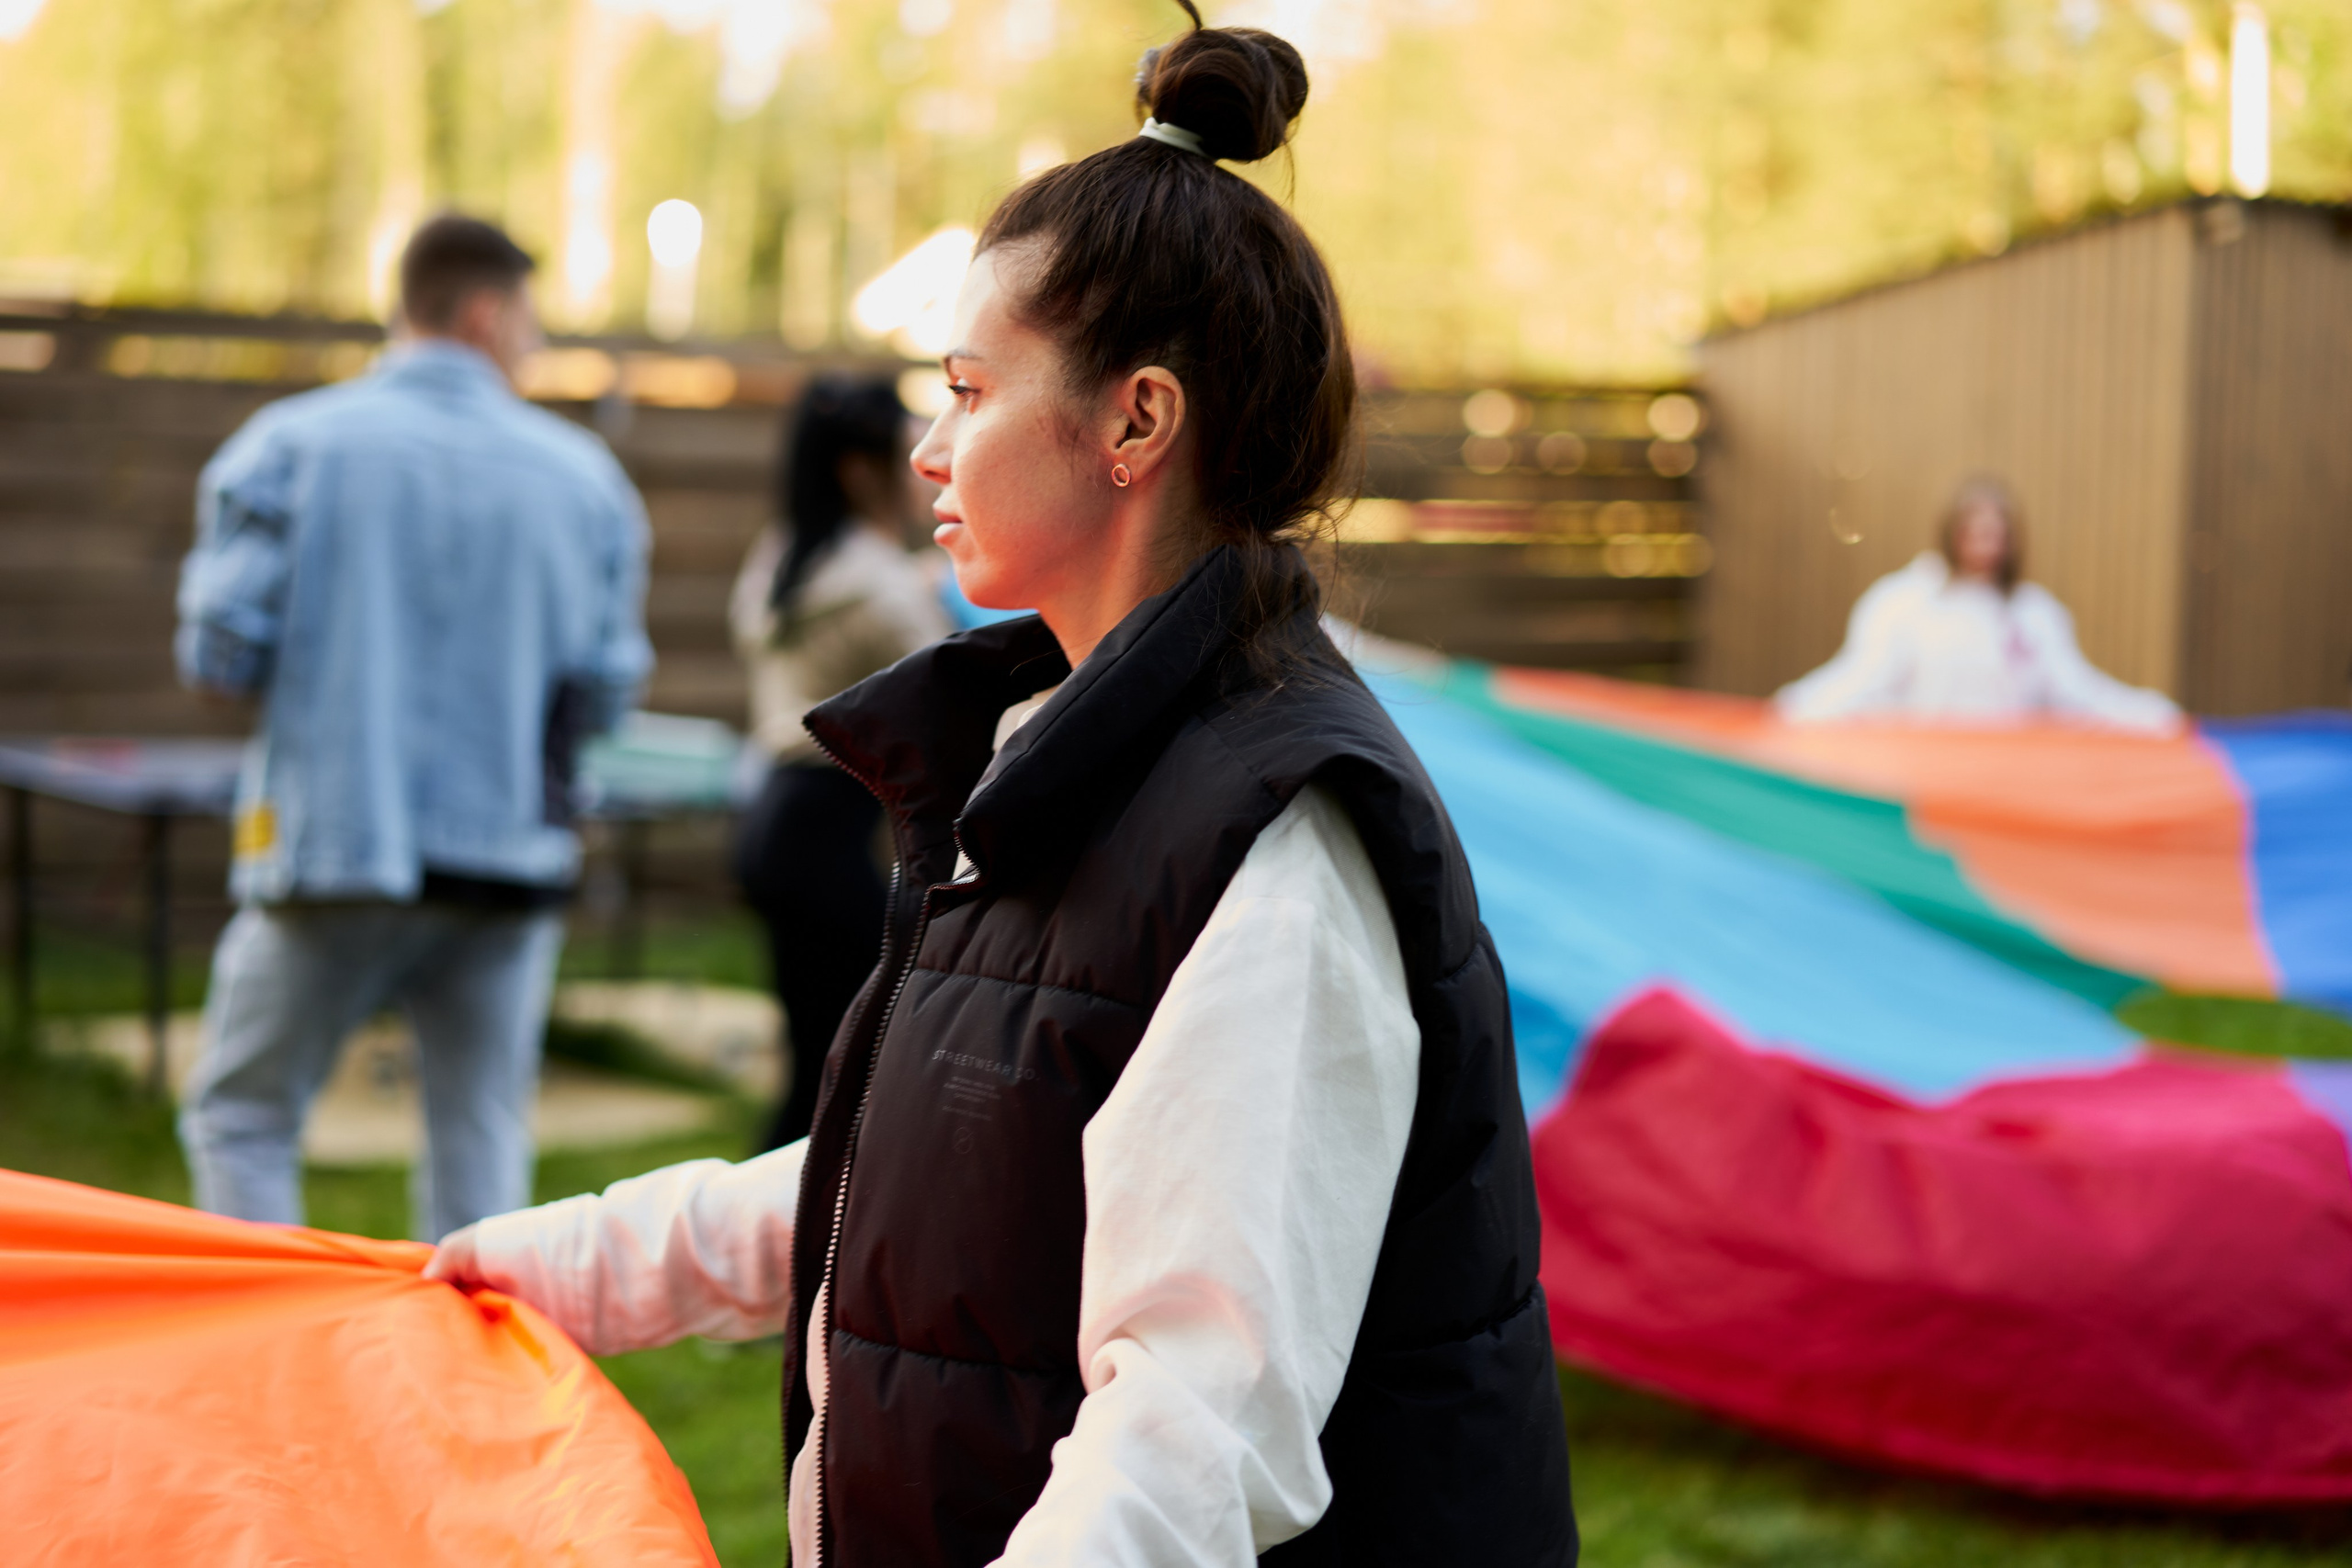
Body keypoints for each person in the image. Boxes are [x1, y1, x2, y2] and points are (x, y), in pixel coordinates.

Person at [427, 11, 1577, 1566]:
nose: (927, 447)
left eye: (968, 389)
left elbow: (1196, 1426)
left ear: (1135, 420)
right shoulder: (1053, 755)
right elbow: (922, 1176)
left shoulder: (1278, 832)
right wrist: (542, 1265)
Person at [174, 215, 653, 1245]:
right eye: (529, 323)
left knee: (244, 1115)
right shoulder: (586, 480)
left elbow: (218, 660)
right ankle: (474, 1353)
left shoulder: (287, 447)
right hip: (512, 861)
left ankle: (273, 1337)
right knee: (482, 1148)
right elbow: (607, 692)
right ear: (485, 312)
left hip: (335, 848)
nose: (533, 347)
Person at [729, 376, 953, 1152]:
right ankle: (790, 1215)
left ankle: (779, 1210)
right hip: (829, 835)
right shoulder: (880, 587)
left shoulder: (783, 558)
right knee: (850, 1068)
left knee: (817, 1059)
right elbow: (953, 692)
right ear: (860, 471)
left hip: (774, 821)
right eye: (908, 454)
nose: (926, 470)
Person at [1776, 476, 2180, 730]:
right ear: (1952, 532)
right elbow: (1862, 678)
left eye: (1995, 531)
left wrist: (2150, 716)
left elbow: (2076, 692)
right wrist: (1794, 709)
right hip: (1922, 775)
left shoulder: (2034, 614)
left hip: (2002, 781)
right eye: (1974, 529)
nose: (1985, 542)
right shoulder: (1905, 603)